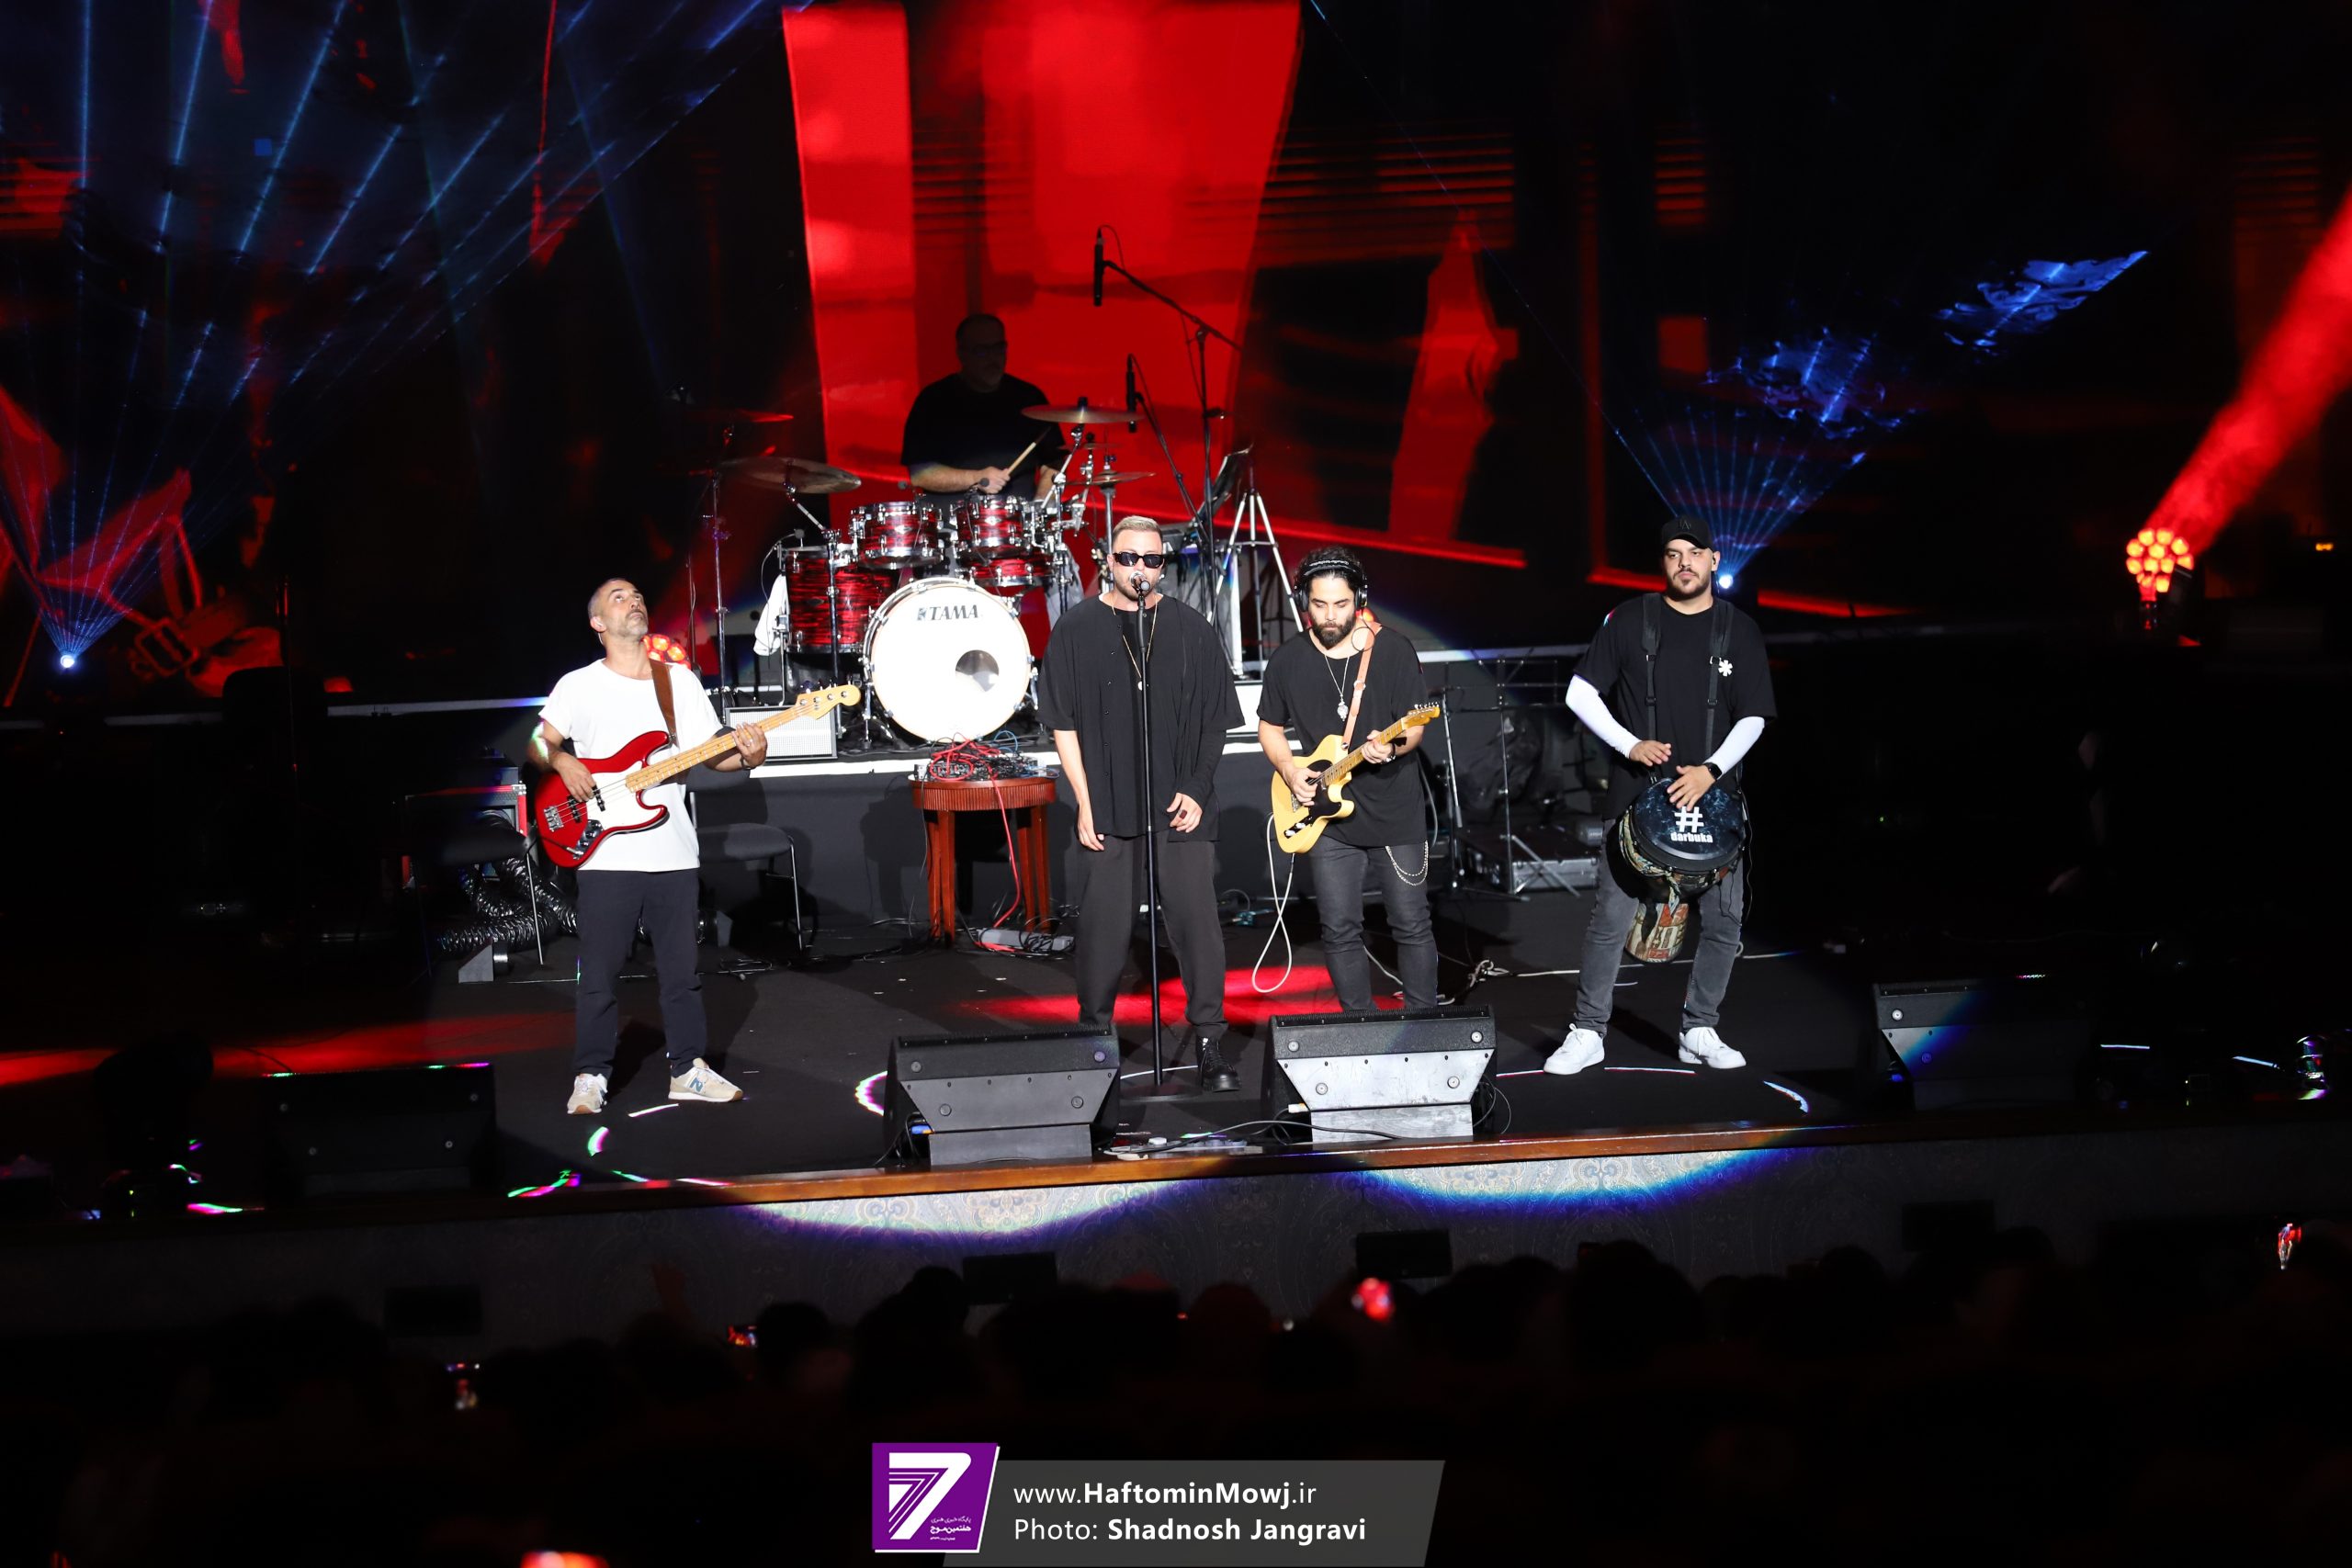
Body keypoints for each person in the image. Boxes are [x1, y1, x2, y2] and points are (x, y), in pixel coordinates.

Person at [535, 579, 769, 1114]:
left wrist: (750, 756)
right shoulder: (578, 684)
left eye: (637, 595)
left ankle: (688, 1069)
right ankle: (591, 1074)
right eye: (618, 597)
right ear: (598, 623)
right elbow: (535, 740)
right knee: (598, 976)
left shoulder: (676, 680)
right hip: (605, 854)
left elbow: (712, 755)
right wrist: (563, 759)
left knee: (682, 975)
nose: (634, 601)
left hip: (673, 851)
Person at [1550, 519, 1774, 1075]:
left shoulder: (1739, 629)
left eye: (1694, 552)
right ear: (1663, 563)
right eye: (1673, 554)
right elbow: (1580, 693)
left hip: (1714, 802)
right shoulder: (1631, 619)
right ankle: (1588, 1032)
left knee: (1724, 922)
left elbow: (1753, 715)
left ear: (1714, 559)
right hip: (1637, 799)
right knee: (1611, 919)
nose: (1684, 563)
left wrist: (1711, 771)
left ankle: (1700, 1028)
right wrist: (1629, 744)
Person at [1038, 518, 1244, 1091]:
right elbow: (1062, 725)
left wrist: (1197, 788)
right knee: (1103, 929)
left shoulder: (1192, 628)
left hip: (1182, 805)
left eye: (1153, 560)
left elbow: (1215, 722)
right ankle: (1094, 1042)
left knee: (1197, 926)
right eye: (1129, 558)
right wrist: (1083, 802)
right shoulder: (1077, 628)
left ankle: (1209, 1042)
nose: (1141, 569)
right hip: (1108, 803)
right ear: (1109, 561)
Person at [1255, 548, 1439, 1013]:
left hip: (1394, 811)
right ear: (1305, 601)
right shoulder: (1287, 660)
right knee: (1338, 929)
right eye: (1320, 605)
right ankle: (1359, 1026)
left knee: (1411, 923)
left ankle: (1424, 1023)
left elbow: (1415, 726)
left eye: (1341, 604)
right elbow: (1269, 726)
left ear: (1359, 599)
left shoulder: (1393, 649)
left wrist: (1391, 747)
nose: (1331, 616)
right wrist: (1289, 769)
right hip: (1326, 818)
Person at [900, 313, 1067, 498]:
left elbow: (1054, 464)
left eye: (998, 349)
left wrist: (1042, 504)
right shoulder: (933, 400)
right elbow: (919, 474)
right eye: (982, 351)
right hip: (953, 515)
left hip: (1019, 514)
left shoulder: (1030, 398)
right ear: (961, 353)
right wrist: (976, 478)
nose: (992, 359)